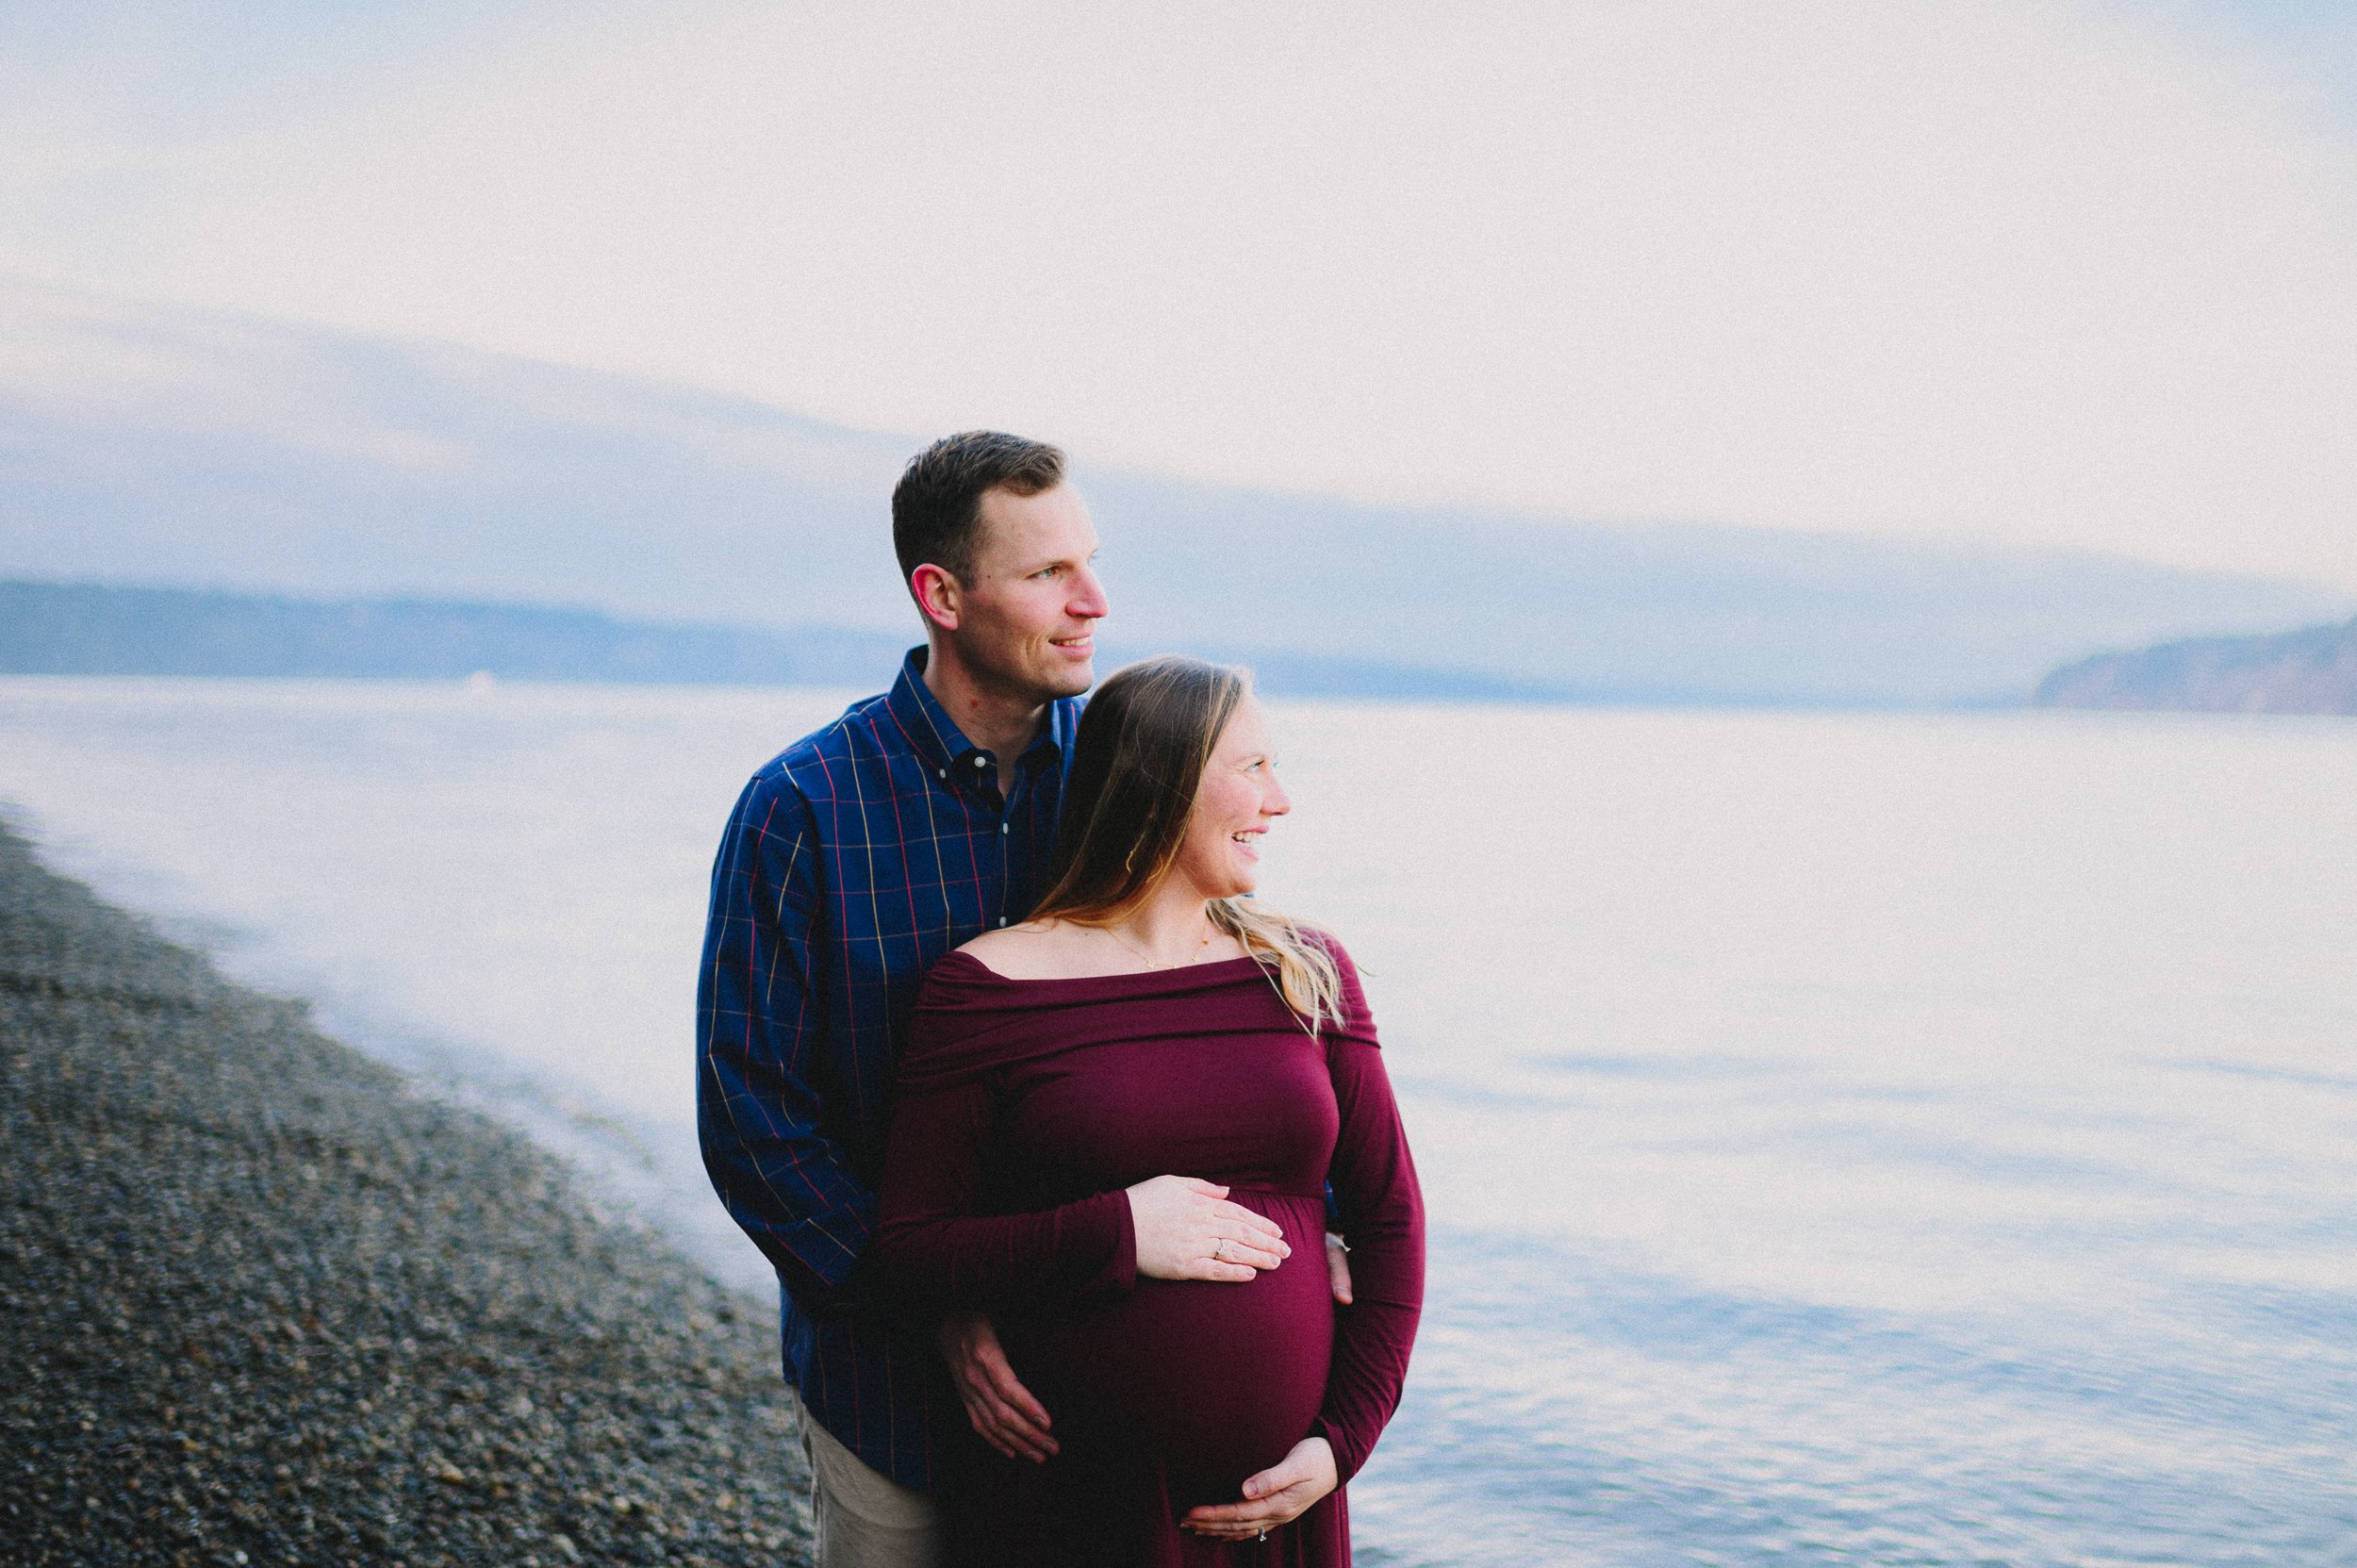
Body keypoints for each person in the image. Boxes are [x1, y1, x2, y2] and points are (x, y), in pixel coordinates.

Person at [697, 435, 1356, 1566]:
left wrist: (1315, 1209)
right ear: (941, 595)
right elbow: (754, 1122)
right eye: (1049, 573)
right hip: (893, 1388)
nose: (1094, 601)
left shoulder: (1127, 780)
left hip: (1107, 1431)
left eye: (1090, 562)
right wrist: (941, 1314)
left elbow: (1222, 1006)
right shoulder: (803, 807)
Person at [874, 655, 1426, 1565]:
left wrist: (1342, 1445)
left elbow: (1391, 1218)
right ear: (1160, 783)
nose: (1278, 799)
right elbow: (911, 1248)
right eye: (1250, 767)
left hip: (1276, 1509)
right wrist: (1117, 1229)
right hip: (1069, 1500)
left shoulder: (1306, 970)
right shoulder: (984, 988)